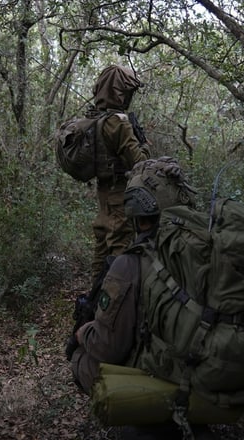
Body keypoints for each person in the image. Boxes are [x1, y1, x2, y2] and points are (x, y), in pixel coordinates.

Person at [70, 157, 238, 440]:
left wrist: (81, 335)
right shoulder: (209, 250)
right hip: (217, 373)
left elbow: (107, 348)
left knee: (82, 359)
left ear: (136, 214)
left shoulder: (130, 264)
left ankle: (150, 430)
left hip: (173, 378)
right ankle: (191, 426)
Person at [88, 65, 151, 285]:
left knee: (101, 253)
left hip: (103, 195)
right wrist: (144, 144)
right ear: (120, 92)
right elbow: (140, 163)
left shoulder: (94, 119)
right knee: (120, 255)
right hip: (119, 198)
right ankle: (111, 311)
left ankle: (93, 303)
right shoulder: (118, 123)